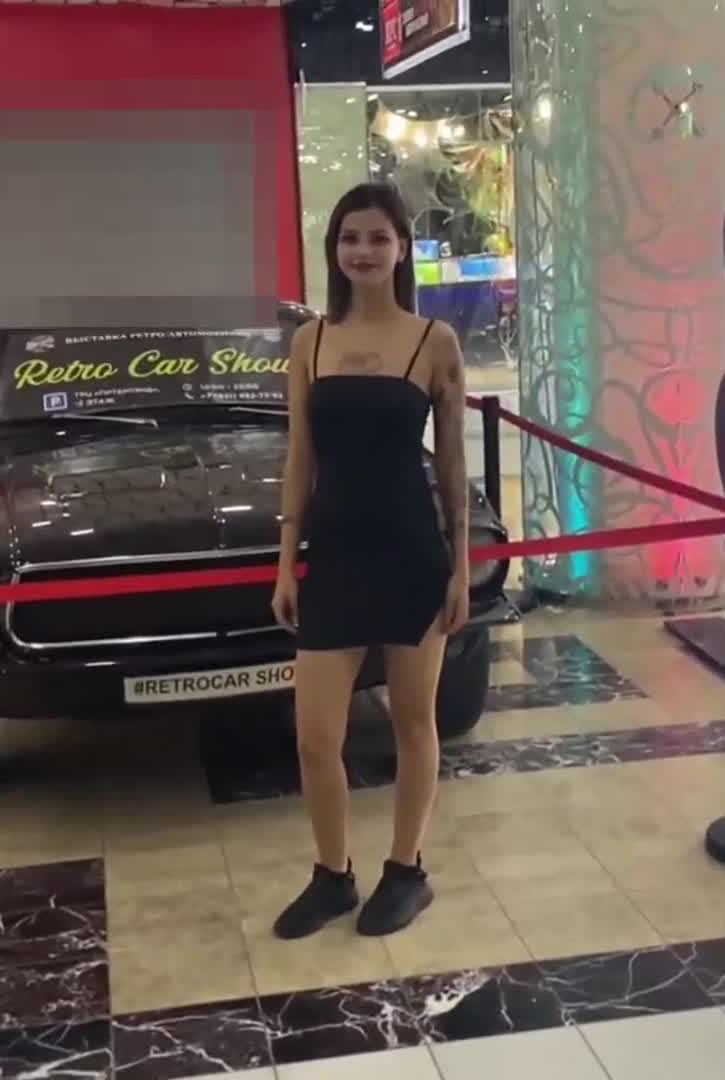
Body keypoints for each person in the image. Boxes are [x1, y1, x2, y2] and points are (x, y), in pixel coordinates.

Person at [269, 182, 468, 939]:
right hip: (335, 554)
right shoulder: (309, 342)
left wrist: (461, 565)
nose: (363, 250)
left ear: (402, 248)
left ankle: (406, 869)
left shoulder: (433, 341)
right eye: (350, 237)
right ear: (334, 250)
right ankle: (332, 876)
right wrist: (285, 562)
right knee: (316, 736)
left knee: (415, 722)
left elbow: (452, 467)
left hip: (412, 551)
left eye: (378, 237)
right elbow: (300, 459)